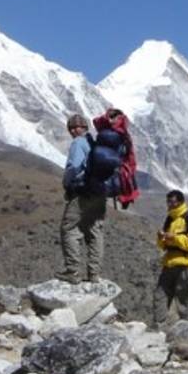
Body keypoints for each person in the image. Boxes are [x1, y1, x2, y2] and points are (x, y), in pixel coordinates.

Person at [57, 114, 107, 284]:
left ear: (81, 128)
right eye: (70, 128)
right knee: (95, 231)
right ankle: (94, 275)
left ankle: (73, 272)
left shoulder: (78, 143)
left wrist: (66, 183)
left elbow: (74, 166)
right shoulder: (94, 144)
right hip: (100, 194)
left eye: (74, 127)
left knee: (69, 228)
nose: (72, 131)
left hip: (83, 192)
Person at [153, 189, 188, 325]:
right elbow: (163, 246)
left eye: (172, 202)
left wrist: (174, 238)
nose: (169, 204)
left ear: (180, 202)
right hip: (169, 263)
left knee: (184, 298)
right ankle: (159, 326)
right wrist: (161, 238)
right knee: (160, 295)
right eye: (168, 202)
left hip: (184, 264)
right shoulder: (170, 219)